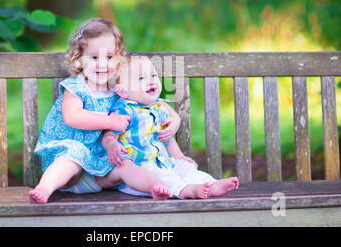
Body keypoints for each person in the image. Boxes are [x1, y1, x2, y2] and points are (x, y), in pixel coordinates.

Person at [29, 18, 172, 204]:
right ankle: (44, 188)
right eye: (94, 57)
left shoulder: (118, 90)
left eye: (109, 57)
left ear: (119, 58)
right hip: (67, 169)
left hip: (96, 173)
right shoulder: (77, 87)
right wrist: (110, 121)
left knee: (124, 164)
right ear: (78, 59)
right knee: (74, 153)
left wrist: (173, 121)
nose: (102, 64)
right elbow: (72, 117)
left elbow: (155, 104)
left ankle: (155, 186)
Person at [102, 55, 239, 199]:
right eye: (141, 78)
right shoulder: (124, 111)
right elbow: (109, 136)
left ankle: (211, 184)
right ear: (123, 91)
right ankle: (186, 191)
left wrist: (179, 157)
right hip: (139, 171)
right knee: (162, 176)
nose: (151, 81)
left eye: (153, 75)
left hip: (164, 162)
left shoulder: (159, 107)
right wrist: (112, 146)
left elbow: (166, 138)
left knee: (185, 168)